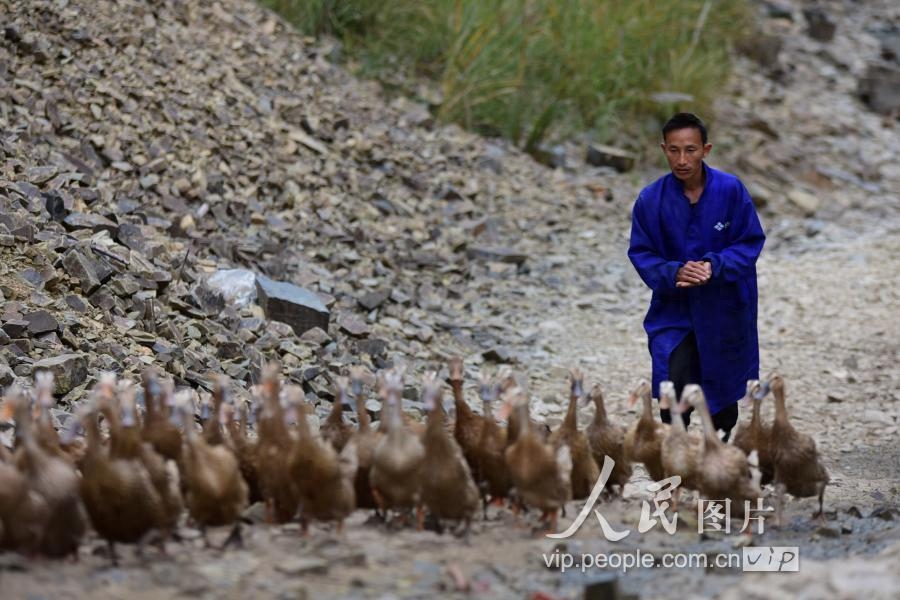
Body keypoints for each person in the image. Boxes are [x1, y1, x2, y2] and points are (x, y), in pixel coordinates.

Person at [627, 112, 765, 441]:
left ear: (706, 149)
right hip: (674, 309)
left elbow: (750, 242)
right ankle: (677, 461)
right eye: (673, 150)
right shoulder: (651, 200)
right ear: (663, 149)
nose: (682, 159)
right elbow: (641, 253)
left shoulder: (731, 191)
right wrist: (673, 271)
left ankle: (716, 462)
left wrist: (713, 266)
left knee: (721, 396)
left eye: (690, 150)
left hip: (723, 307)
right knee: (671, 387)